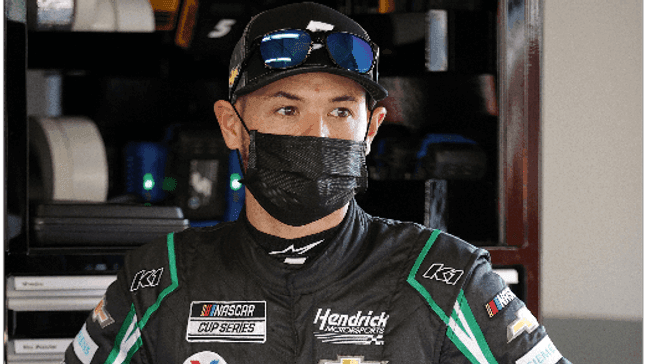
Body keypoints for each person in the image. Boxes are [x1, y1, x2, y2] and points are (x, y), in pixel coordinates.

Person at [64, 2, 570, 364]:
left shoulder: (446, 278)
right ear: (232, 126)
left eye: (341, 111)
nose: (318, 133)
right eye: (287, 109)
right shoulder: (158, 281)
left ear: (370, 130)